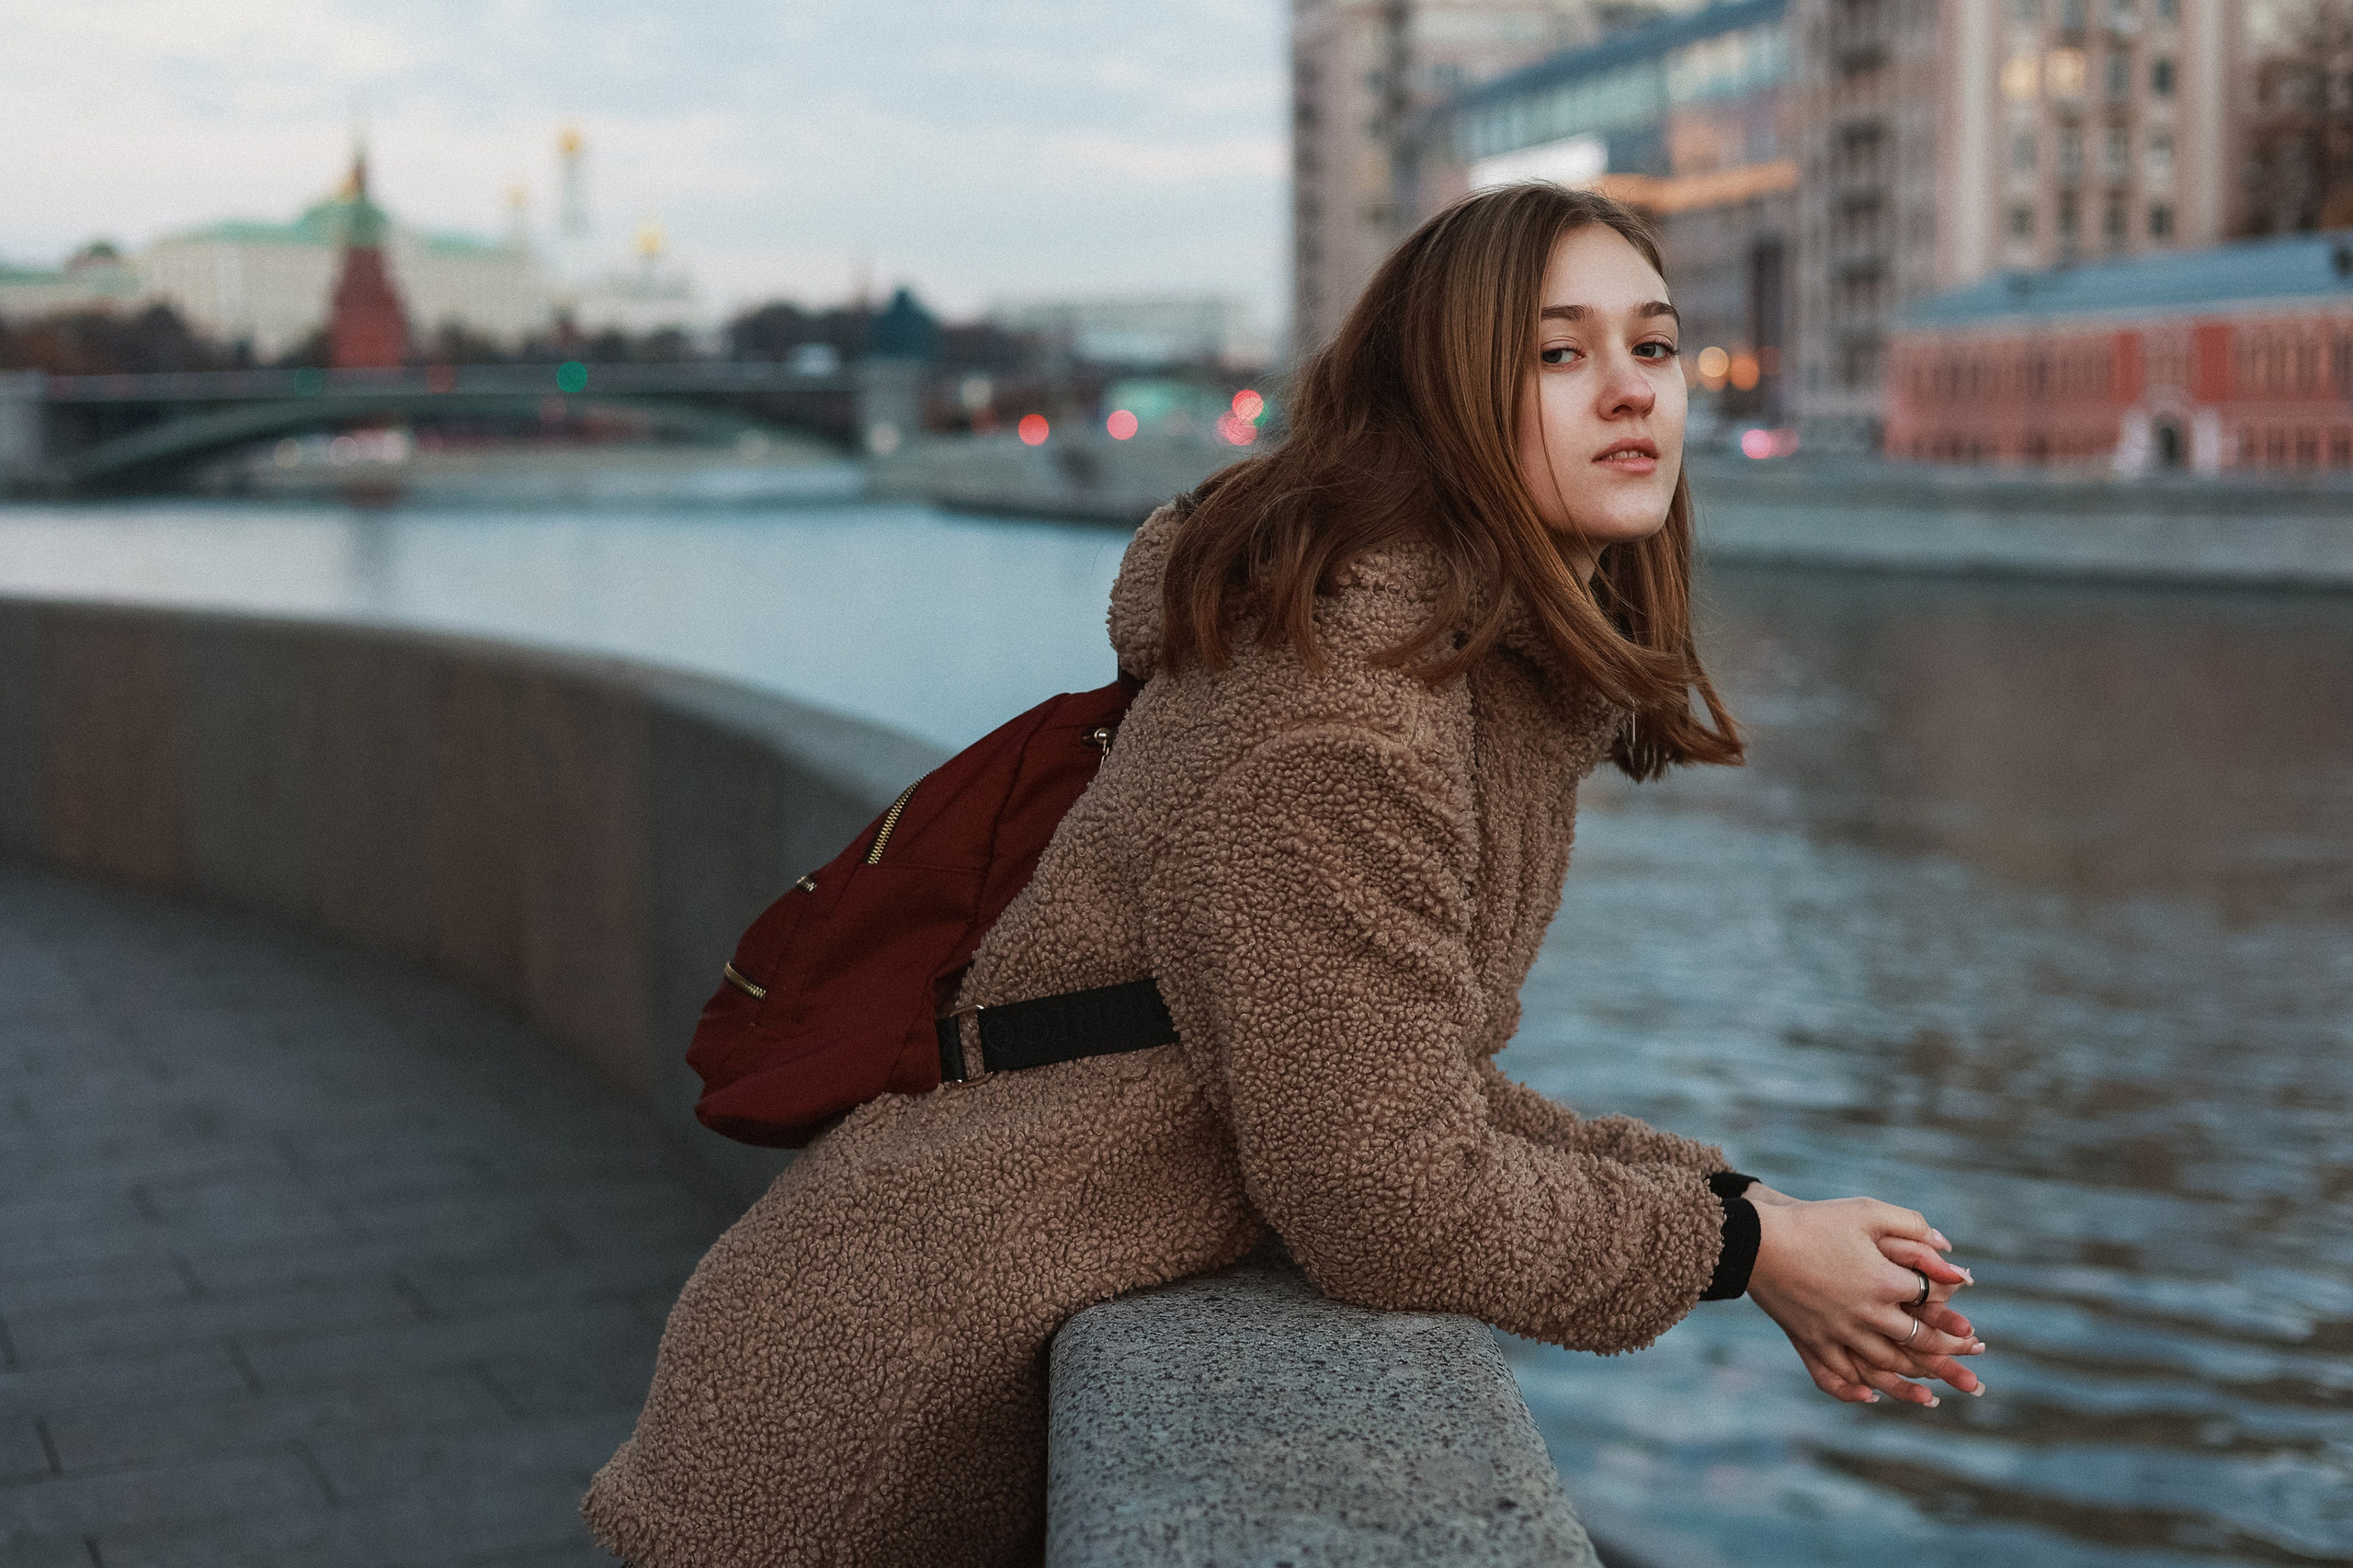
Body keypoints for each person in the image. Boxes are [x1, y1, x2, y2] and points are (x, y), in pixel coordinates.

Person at [582, 183, 1984, 1568]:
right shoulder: (1339, 712)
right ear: (1438, 402)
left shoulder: (1455, 670)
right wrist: (1735, 1249)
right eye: (1559, 353)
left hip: (932, 1373)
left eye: (1654, 345)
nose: (1631, 391)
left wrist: (1752, 1208)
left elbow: (1385, 1067)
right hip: (863, 1439)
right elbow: (1387, 1198)